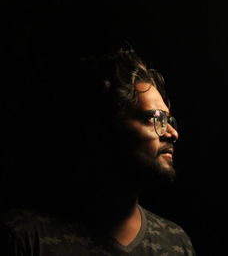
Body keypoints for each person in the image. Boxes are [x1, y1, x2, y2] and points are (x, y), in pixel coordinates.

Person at [0, 47, 196, 255]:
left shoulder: (175, 244)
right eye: (153, 119)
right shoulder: (25, 237)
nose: (172, 133)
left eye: (168, 120)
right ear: (104, 128)